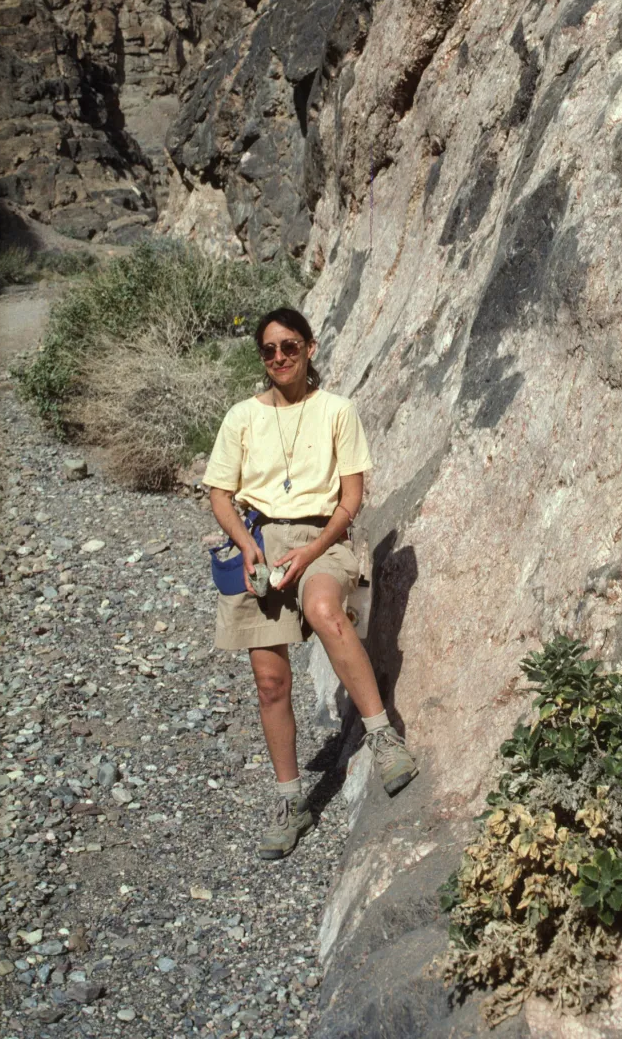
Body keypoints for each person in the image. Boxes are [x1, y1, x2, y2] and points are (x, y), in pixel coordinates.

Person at [204, 305, 417, 860]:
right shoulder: (241, 417)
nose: (279, 357)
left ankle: (382, 736)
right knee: (270, 680)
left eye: (289, 347)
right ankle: (289, 799)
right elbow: (220, 494)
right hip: (260, 541)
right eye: (269, 350)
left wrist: (314, 550)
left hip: (323, 540)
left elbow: (351, 499)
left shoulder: (337, 412)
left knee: (324, 609)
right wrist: (249, 545)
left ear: (310, 348)